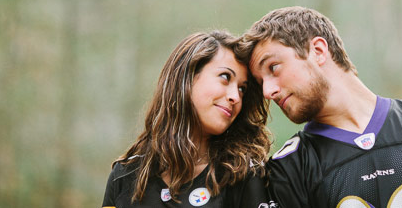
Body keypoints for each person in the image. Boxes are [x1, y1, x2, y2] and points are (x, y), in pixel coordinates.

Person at [239, 6, 402, 208]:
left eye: (273, 67)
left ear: (318, 51)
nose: (267, 91)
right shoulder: (291, 166)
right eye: (261, 82)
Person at [102, 30, 275, 208]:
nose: (235, 97)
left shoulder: (243, 175)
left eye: (242, 89)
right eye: (225, 77)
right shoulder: (124, 176)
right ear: (186, 78)